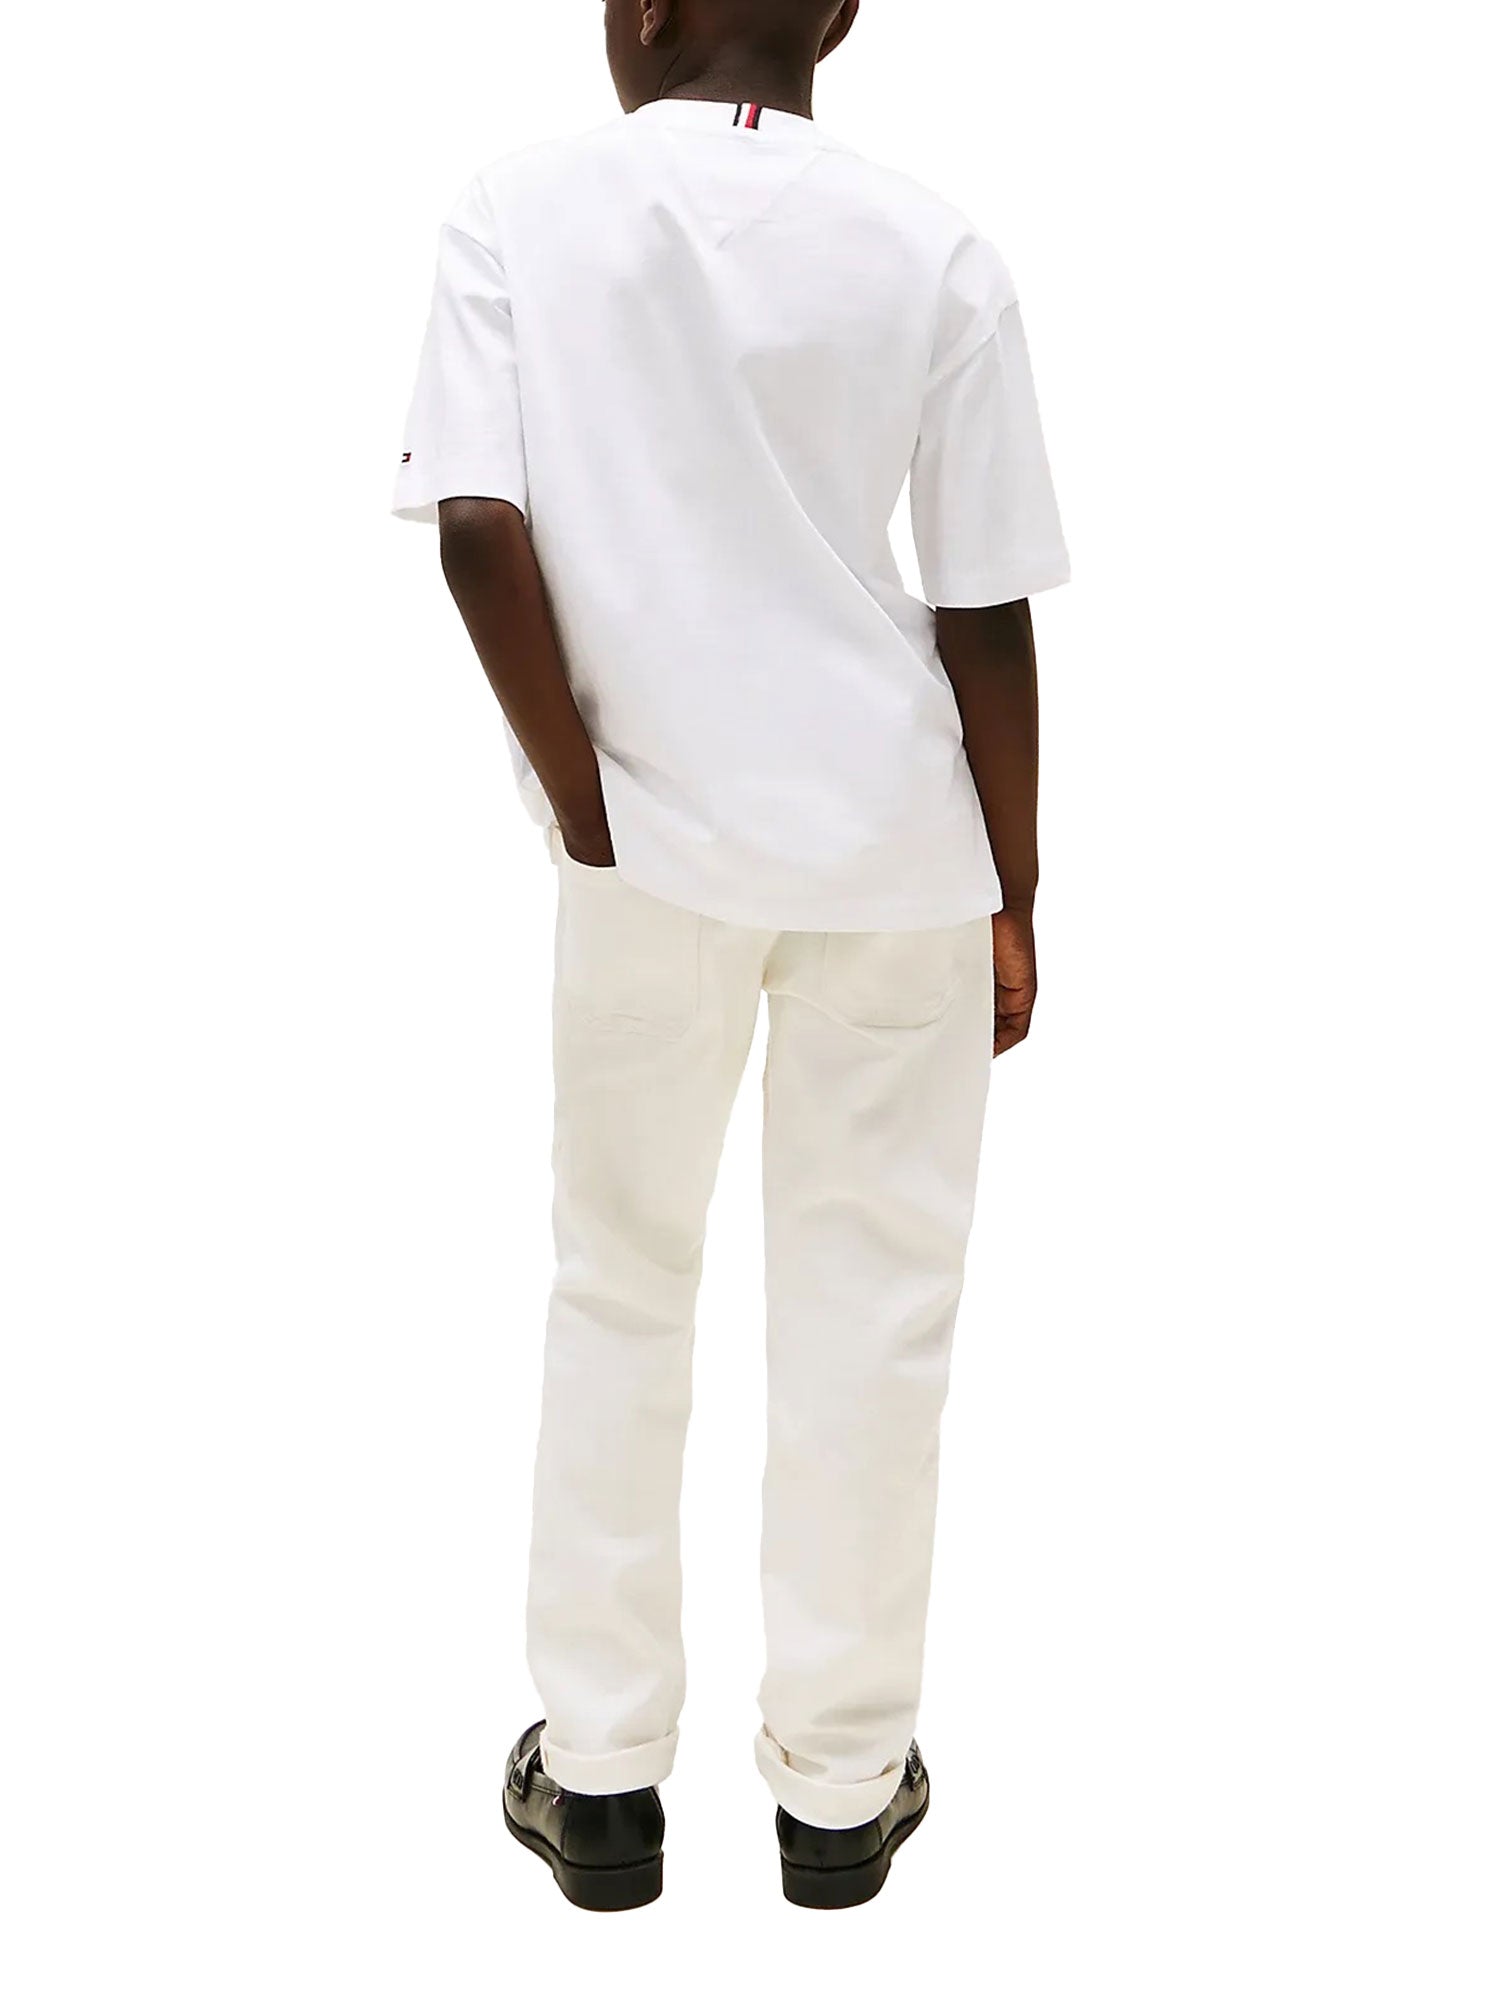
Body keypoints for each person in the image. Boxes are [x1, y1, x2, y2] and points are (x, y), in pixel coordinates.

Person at [393, 0, 1068, 1912]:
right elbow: (984, 607)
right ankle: (840, 1792)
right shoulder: (934, 244)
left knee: (619, 1281)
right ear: (837, 11)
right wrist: (1016, 889)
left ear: (647, 12)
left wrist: (583, 800)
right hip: (895, 854)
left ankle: (603, 1775)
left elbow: (476, 532)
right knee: (873, 1313)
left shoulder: (518, 207)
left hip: (649, 852)